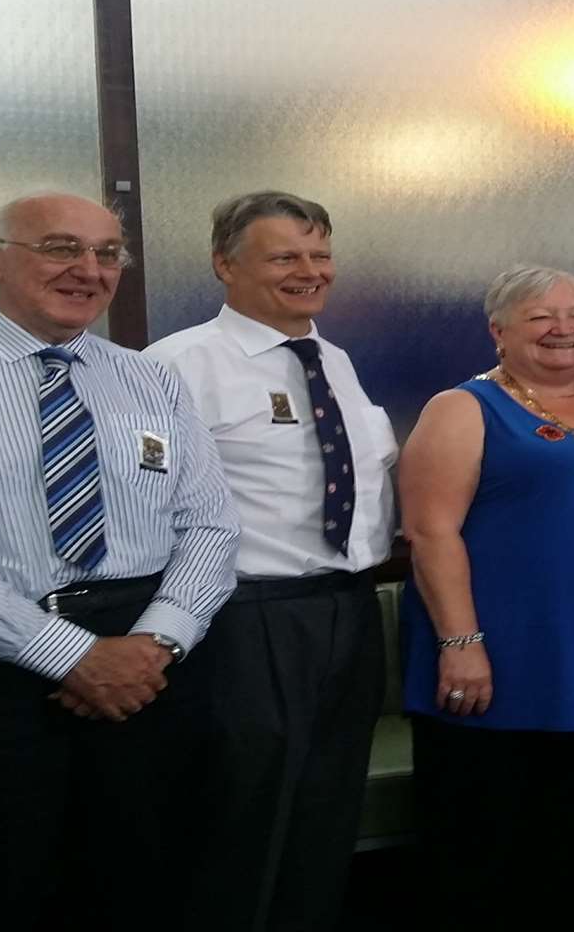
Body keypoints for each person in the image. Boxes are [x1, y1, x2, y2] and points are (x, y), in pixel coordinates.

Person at [0, 192, 239, 923]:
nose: (89, 269)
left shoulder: (151, 378)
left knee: (146, 883)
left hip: (149, 670)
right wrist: (72, 656)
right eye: (61, 248)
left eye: (107, 252)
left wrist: (155, 644)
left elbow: (210, 526)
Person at [145, 191, 396, 930]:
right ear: (225, 264)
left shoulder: (335, 360)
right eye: (285, 255)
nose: (309, 271)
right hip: (242, 622)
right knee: (241, 823)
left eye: (320, 255)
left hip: (347, 612)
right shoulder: (176, 365)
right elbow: (147, 505)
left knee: (327, 817)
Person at [396, 265, 574, 927]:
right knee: (492, 859)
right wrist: (460, 644)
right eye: (541, 316)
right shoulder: (462, 408)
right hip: (503, 668)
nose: (565, 329)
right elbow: (431, 532)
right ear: (498, 331)